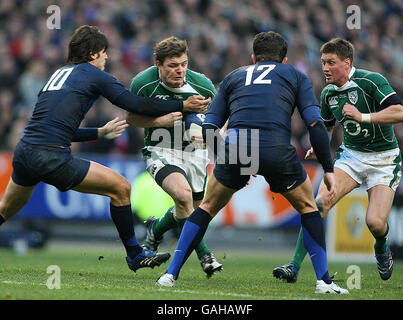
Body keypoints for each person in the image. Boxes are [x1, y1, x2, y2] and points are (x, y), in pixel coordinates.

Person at [0, 25, 209, 273]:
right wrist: (182, 104)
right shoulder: (93, 74)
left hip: (25, 152)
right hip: (49, 155)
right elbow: (134, 103)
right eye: (103, 52)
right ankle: (134, 254)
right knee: (121, 188)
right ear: (92, 54)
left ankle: (135, 253)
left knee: (5, 209)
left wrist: (98, 133)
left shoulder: (60, 73)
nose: (107, 57)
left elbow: (54, 126)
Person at [155, 31, 349, 294]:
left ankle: (170, 275)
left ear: (254, 57)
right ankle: (324, 281)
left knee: (206, 208)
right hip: (276, 148)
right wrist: (327, 168)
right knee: (308, 208)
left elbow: (210, 124)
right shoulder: (295, 75)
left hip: (236, 147)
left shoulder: (234, 76)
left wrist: (226, 158)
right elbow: (315, 124)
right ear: (285, 59)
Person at [273, 38, 403, 283]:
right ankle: (293, 266)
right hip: (351, 157)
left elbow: (400, 113)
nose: (325, 68)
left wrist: (363, 116)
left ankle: (381, 245)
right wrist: (319, 143)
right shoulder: (328, 93)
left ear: (346, 63)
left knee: (375, 223)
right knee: (319, 203)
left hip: (384, 160)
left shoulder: (371, 81)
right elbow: (328, 126)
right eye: (323, 62)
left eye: (331, 62)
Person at [126, 36, 223, 277]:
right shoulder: (143, 83)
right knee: (183, 195)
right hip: (160, 150)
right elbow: (131, 118)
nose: (180, 70)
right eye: (172, 65)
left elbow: (215, 121)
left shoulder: (202, 86)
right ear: (158, 64)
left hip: (195, 154)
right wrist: (159, 121)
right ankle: (205, 255)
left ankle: (155, 229)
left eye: (184, 64)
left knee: (192, 211)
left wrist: (209, 136)